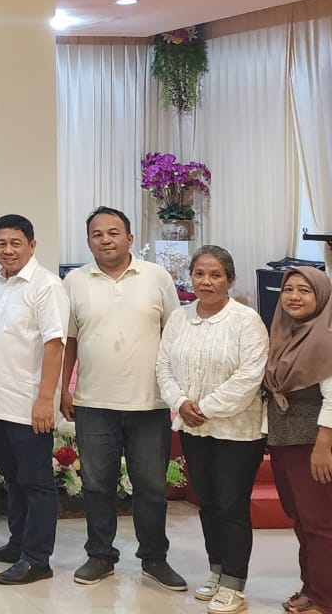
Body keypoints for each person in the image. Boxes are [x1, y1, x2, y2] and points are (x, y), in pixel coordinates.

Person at [60, 206, 186, 591]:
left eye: (113, 233)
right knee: (97, 485)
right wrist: (64, 389)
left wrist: (179, 391)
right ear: (88, 241)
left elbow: (175, 336)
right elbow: (69, 340)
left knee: (151, 487)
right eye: (97, 234)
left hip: (150, 402)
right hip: (94, 403)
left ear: (130, 238)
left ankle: (154, 558)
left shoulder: (156, 277)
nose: (106, 240)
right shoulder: (74, 281)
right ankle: (100, 555)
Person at [156, 245, 267, 614]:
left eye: (215, 275)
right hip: (194, 428)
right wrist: (180, 402)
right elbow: (163, 367)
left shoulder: (246, 320)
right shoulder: (179, 318)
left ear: (229, 280)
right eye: (199, 274)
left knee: (232, 505)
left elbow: (249, 376)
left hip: (238, 431)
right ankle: (217, 570)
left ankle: (235, 583)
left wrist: (204, 408)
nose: (206, 281)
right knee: (207, 503)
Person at [0, 213, 67, 586]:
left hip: (29, 405)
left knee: (36, 482)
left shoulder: (46, 286)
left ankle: (37, 559)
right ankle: (17, 544)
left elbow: (55, 344)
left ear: (32, 245)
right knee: (13, 478)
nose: (8, 250)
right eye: (1, 243)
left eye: (16, 243)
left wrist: (46, 399)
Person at [263, 266, 332, 614]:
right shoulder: (282, 333)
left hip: (314, 444)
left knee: (320, 524)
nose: (294, 296)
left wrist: (323, 446)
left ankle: (326, 598)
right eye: (288, 289)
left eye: (305, 291)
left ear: (321, 296)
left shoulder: (326, 338)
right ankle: (312, 587)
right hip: (284, 441)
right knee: (301, 520)